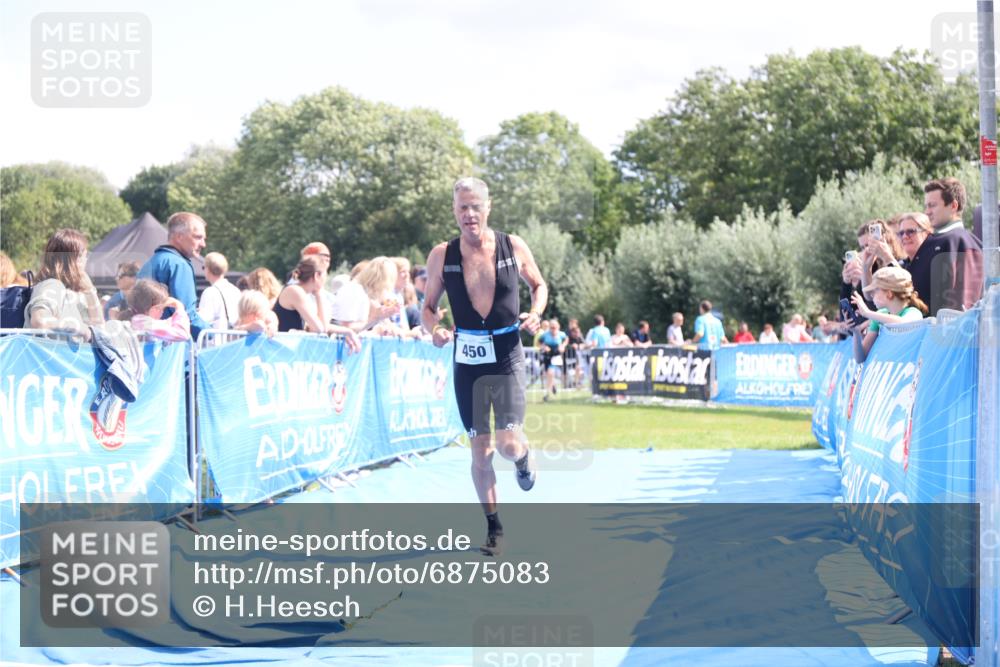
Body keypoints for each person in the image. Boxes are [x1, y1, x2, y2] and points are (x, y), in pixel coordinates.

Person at [422, 177, 547, 557]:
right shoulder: (442, 255)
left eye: (475, 206)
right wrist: (436, 330)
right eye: (462, 208)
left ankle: (524, 458)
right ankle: (494, 529)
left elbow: (538, 286)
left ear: (488, 206)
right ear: (454, 211)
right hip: (468, 362)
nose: (469, 214)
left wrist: (536, 313)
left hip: (507, 353)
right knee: (480, 453)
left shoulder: (513, 245)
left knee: (508, 446)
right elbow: (427, 309)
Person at [907, 178, 984, 315]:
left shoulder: (959, 242)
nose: (927, 211)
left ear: (953, 206)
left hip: (945, 332)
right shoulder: (944, 240)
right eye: (926, 206)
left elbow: (962, 302)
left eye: (932, 205)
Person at [137, 212, 210, 340]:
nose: (203, 244)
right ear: (179, 236)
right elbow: (187, 315)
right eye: (198, 237)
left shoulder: (152, 261)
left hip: (149, 345)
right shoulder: (179, 265)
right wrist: (210, 332)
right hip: (170, 350)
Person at [25, 229, 103, 340]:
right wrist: (78, 328)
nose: (86, 260)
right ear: (75, 259)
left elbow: (99, 328)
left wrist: (90, 292)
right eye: (85, 255)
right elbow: (40, 321)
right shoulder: (53, 285)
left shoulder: (73, 291)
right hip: (54, 355)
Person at [273, 256, 360, 349]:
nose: (325, 279)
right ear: (317, 275)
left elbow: (323, 326)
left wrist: (347, 331)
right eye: (325, 274)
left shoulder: (301, 292)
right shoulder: (295, 291)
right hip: (280, 349)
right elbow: (319, 329)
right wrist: (320, 293)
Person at [849, 266, 927, 363]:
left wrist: (867, 313)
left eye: (875, 290)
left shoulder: (913, 312)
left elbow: (903, 323)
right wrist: (856, 331)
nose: (871, 295)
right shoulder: (880, 315)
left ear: (889, 294)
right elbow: (860, 358)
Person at [198, 252, 240, 330]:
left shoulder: (210, 292)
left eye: (204, 267)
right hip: (235, 339)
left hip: (216, 340)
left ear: (208, 269)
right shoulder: (236, 291)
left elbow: (202, 319)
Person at [538, 319, 569, 401]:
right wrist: (544, 347)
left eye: (555, 327)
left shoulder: (561, 334)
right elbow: (539, 342)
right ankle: (553, 385)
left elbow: (566, 339)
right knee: (549, 374)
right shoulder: (545, 334)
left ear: (558, 327)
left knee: (550, 372)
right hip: (547, 356)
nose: (553, 329)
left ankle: (547, 394)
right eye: (551, 327)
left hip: (556, 356)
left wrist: (563, 346)